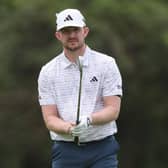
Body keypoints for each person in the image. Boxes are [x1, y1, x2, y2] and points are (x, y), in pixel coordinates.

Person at [38, 8, 123, 168]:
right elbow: (50, 118)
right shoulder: (47, 72)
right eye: (66, 31)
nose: (71, 35)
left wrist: (90, 120)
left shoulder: (106, 64)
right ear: (58, 35)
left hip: (102, 148)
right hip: (65, 150)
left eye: (75, 30)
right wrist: (68, 128)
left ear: (85, 31)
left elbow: (113, 109)